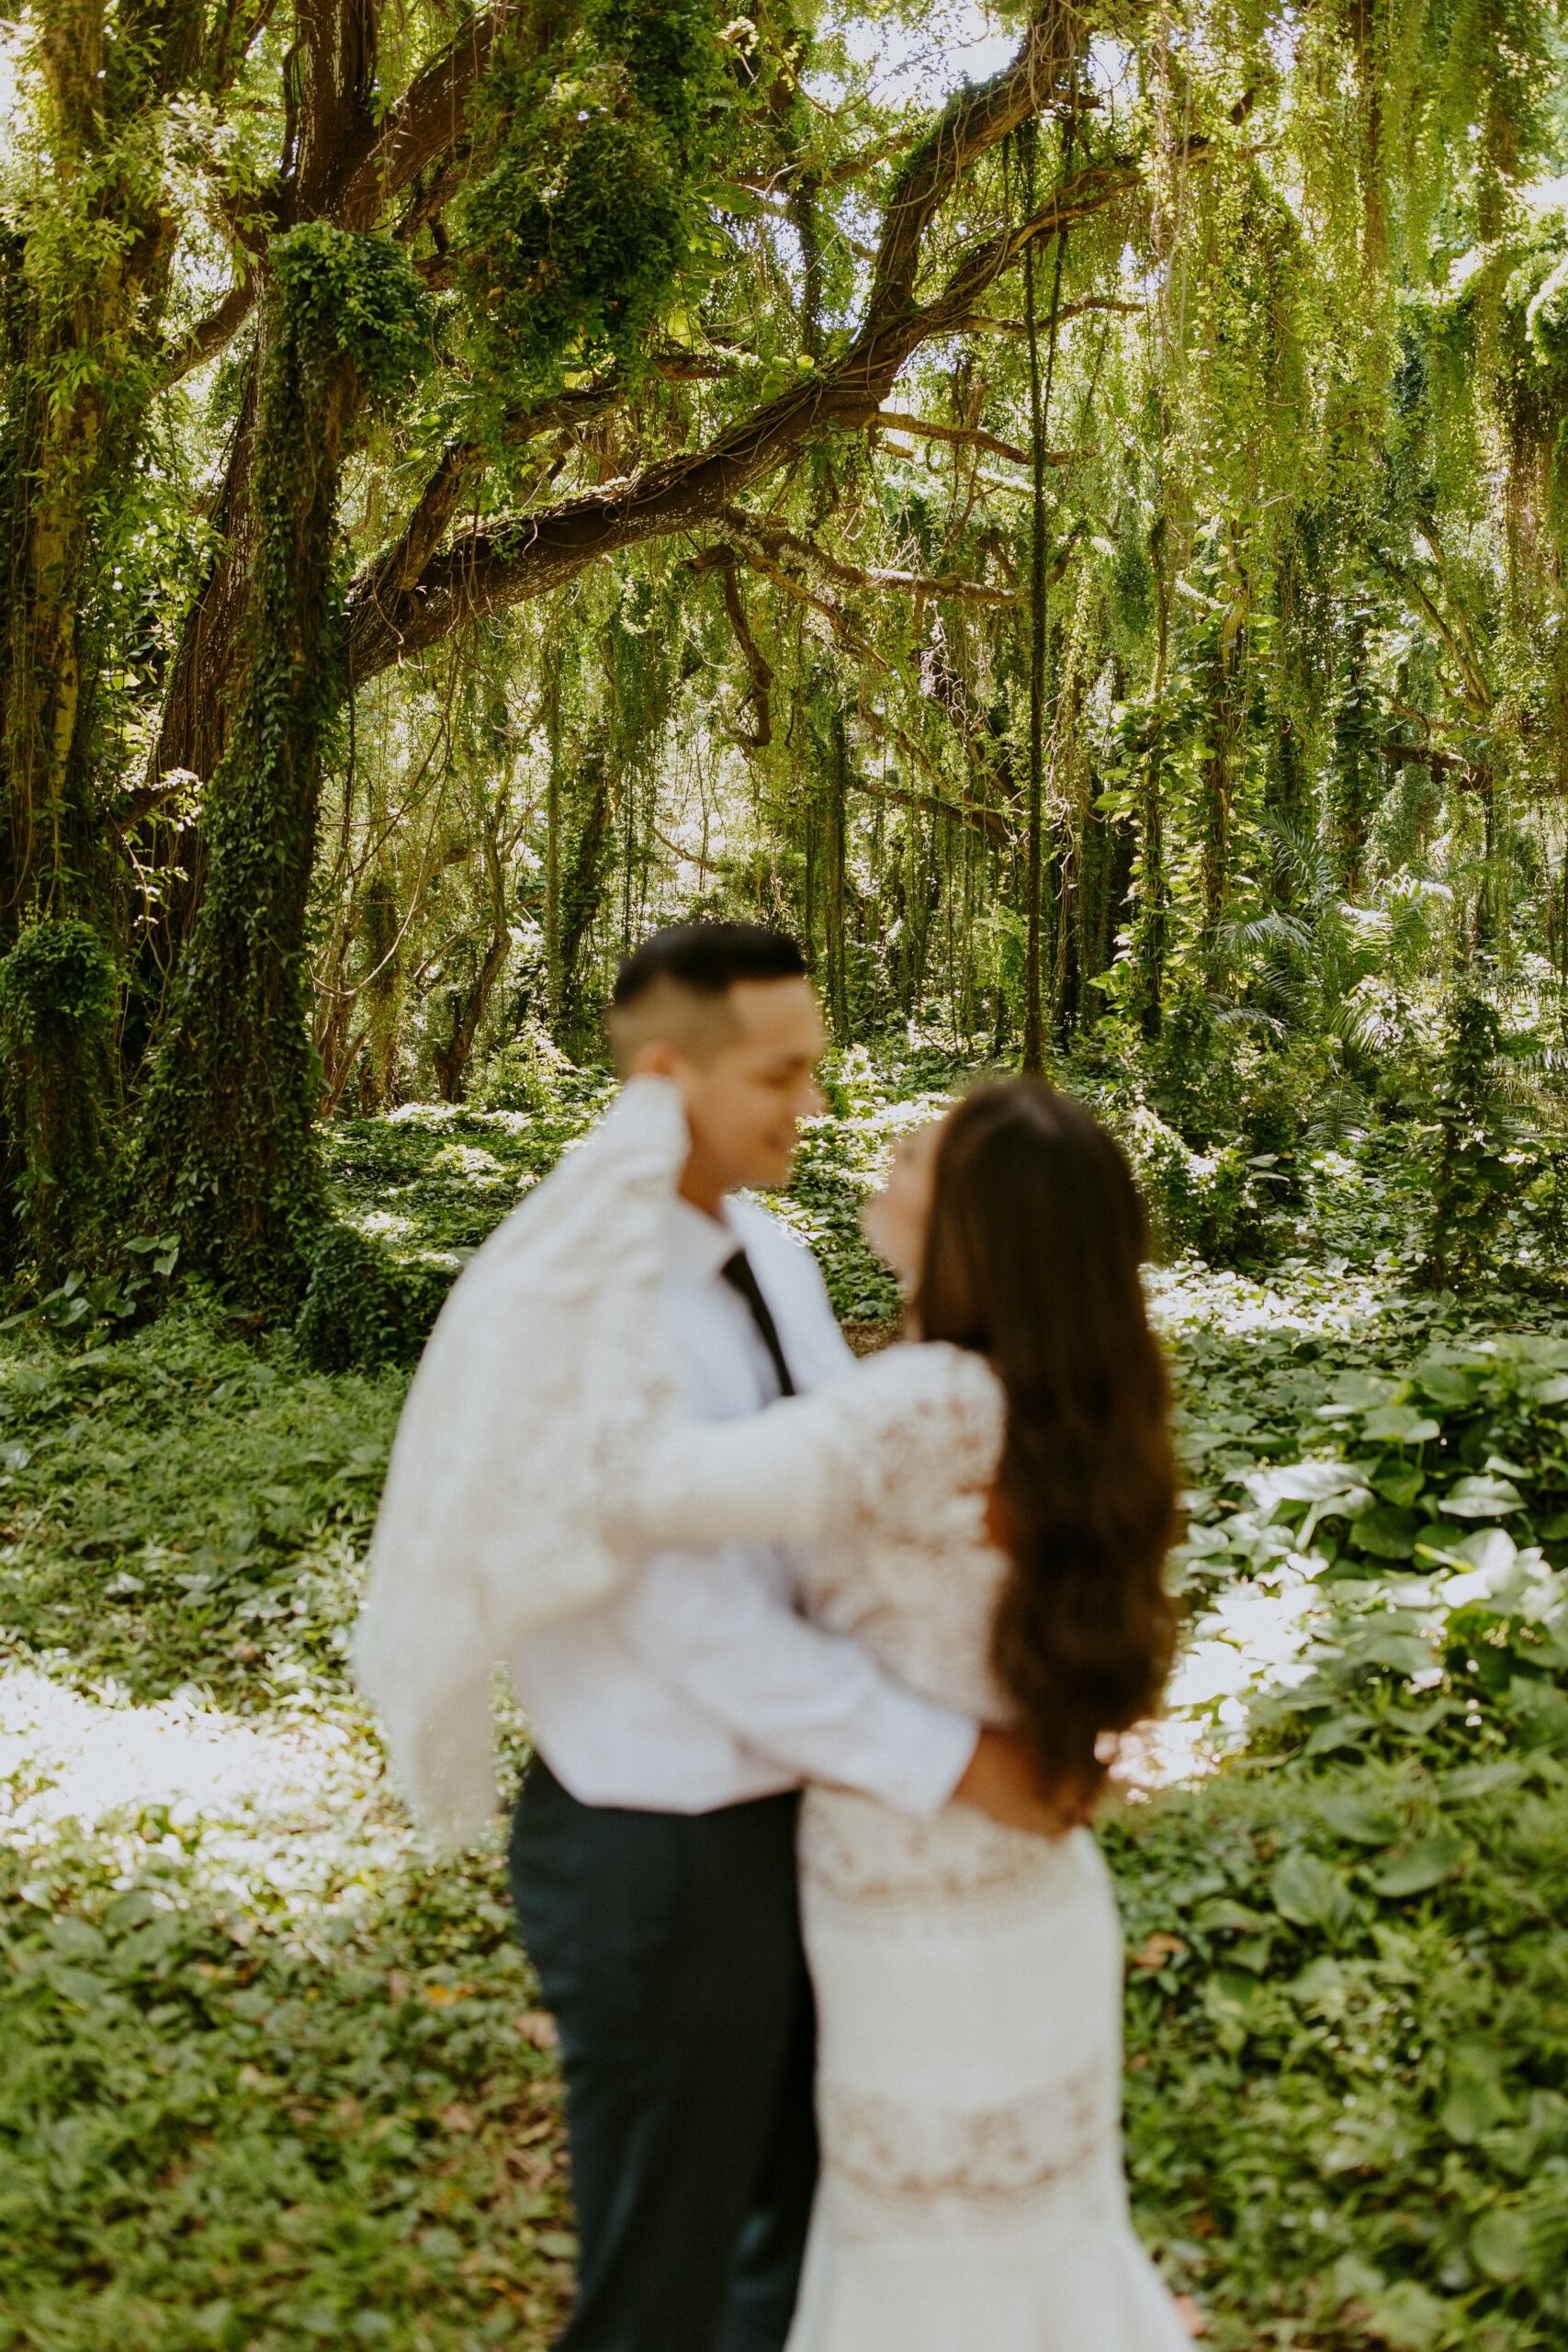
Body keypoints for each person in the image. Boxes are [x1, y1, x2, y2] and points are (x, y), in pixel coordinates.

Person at [491, 928, 1071, 2352]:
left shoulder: (773, 1251)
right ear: (668, 1073)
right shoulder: (591, 1297)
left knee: (796, 2251)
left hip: (804, 1835)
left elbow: (833, 1536)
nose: (814, 1104)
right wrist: (953, 1757)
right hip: (659, 1843)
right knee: (663, 2281)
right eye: (782, 1072)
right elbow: (686, 1615)